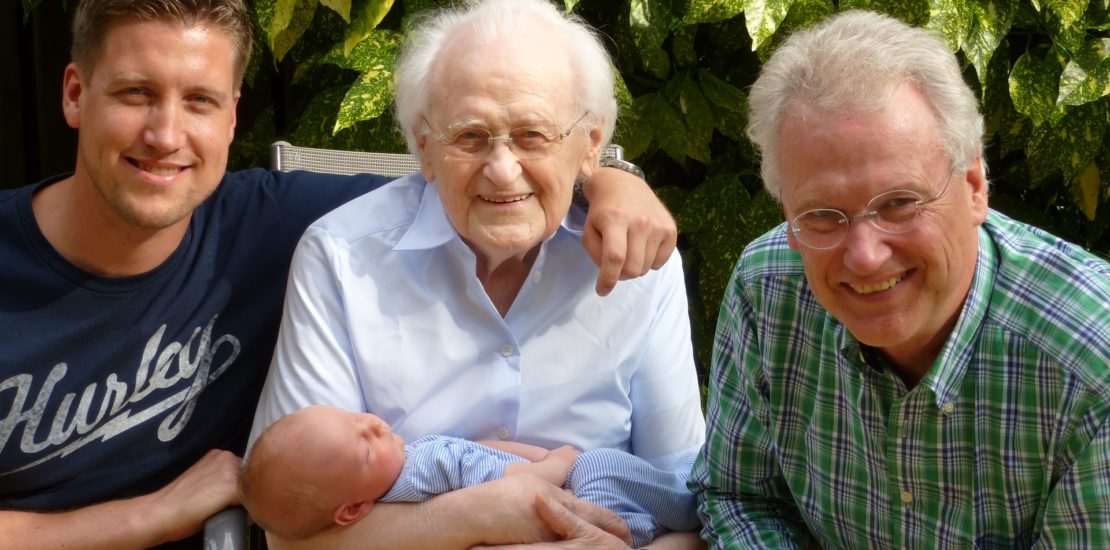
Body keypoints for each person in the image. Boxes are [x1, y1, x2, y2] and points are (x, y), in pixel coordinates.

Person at [0, 0, 680, 547]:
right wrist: (154, 514)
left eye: (200, 101)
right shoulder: (340, 250)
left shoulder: (282, 223)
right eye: (134, 92)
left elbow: (699, 501)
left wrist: (617, 178)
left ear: (233, 114)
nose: (166, 134)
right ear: (74, 94)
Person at [248, 0, 706, 548]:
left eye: (533, 135)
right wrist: (480, 517)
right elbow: (289, 533)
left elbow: (692, 507)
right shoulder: (342, 259)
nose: (502, 168)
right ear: (424, 147)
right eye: (469, 136)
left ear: (590, 146)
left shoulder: (642, 264)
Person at [689, 9, 1110, 549]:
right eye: (821, 214)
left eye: (899, 203)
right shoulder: (766, 289)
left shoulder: (1091, 364)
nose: (864, 256)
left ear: (976, 186)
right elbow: (739, 496)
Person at [240, 405, 698, 546]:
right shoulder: (423, 470)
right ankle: (696, 499)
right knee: (613, 469)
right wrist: (557, 463)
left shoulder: (389, 494)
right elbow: (512, 478)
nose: (375, 424)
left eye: (356, 418)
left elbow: (482, 452)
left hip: (561, 506)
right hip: (576, 495)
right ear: (353, 509)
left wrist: (540, 458)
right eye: (363, 445)